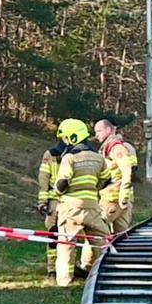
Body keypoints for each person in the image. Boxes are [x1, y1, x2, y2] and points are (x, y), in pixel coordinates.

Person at [53, 118, 113, 286]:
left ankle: (64, 282)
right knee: (101, 242)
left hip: (71, 208)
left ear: (72, 138)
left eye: (64, 138)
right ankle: (102, 276)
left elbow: (62, 183)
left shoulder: (69, 158)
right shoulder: (98, 157)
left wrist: (56, 193)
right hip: (92, 207)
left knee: (66, 244)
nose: (63, 142)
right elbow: (107, 180)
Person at [95, 119, 138, 233]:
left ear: (108, 130)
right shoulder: (118, 147)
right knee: (120, 238)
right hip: (121, 200)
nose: (96, 135)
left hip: (112, 199)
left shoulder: (116, 148)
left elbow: (127, 171)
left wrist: (123, 197)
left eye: (98, 131)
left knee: (95, 232)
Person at [36, 135, 68, 278]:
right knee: (54, 235)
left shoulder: (51, 154)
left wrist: (43, 202)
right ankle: (52, 269)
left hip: (62, 202)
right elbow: (43, 178)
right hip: (58, 203)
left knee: (60, 236)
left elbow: (44, 178)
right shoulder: (51, 154)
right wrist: (43, 201)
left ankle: (58, 269)